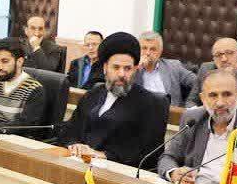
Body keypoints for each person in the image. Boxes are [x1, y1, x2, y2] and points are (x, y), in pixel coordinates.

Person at [58, 32, 168, 166]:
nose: (122, 74)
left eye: (128, 68)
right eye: (116, 67)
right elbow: (70, 130)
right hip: (79, 164)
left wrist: (104, 155)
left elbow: (149, 153)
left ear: (135, 69)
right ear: (105, 68)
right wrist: (75, 145)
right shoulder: (92, 95)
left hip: (117, 171)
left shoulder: (150, 103)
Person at [136, 31, 197, 106]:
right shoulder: (132, 69)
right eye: (144, 48)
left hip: (169, 111)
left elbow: (198, 82)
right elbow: (125, 89)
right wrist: (137, 68)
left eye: (153, 49)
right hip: (140, 111)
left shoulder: (173, 66)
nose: (148, 53)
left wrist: (190, 102)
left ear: (160, 51)